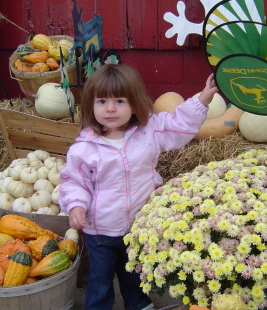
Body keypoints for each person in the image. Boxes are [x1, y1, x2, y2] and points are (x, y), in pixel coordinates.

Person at [59, 64, 218, 310]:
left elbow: (179, 124)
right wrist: (76, 205)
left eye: (120, 101)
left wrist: (202, 100)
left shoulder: (150, 131)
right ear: (90, 105)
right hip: (100, 229)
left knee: (134, 271)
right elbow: (74, 182)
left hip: (139, 224)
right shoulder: (84, 149)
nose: (110, 108)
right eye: (101, 101)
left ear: (134, 102)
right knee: (99, 278)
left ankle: (137, 303)